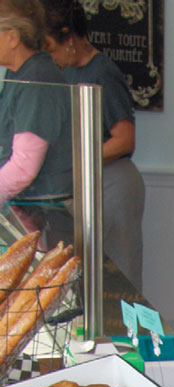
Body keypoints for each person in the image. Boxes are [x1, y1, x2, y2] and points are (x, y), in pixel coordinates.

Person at [43, 0, 145, 289]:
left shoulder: (103, 73)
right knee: (82, 279)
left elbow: (125, 139)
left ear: (69, 37)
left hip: (112, 185)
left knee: (118, 281)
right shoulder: (63, 72)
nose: (50, 56)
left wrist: (77, 158)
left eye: (51, 48)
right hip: (85, 185)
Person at [0, 0, 72, 213]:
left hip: (45, 212)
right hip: (29, 207)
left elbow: (24, 167)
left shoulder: (38, 79)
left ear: (13, 37)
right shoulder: (19, 74)